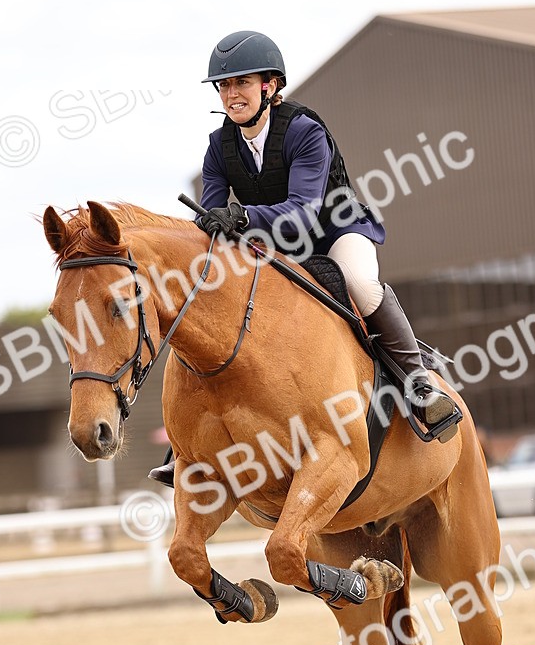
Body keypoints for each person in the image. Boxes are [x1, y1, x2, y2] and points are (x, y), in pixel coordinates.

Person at [149, 30, 459, 486]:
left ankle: (419, 383)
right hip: (274, 243)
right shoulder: (219, 147)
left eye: (241, 83)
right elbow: (213, 219)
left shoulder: (304, 131)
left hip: (333, 230)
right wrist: (209, 228)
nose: (231, 94)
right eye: (224, 86)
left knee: (358, 282)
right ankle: (190, 445)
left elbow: (302, 213)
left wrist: (240, 215)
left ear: (270, 86)